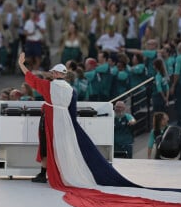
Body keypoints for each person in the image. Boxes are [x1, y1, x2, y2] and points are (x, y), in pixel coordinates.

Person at [17, 52, 136, 187]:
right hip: (64, 122)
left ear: (56, 74)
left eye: (53, 73)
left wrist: (21, 64)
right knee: (62, 148)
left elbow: (31, 78)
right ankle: (60, 172)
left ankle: (43, 173)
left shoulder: (48, 86)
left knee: (46, 147)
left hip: (49, 119)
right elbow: (72, 111)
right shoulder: (72, 90)